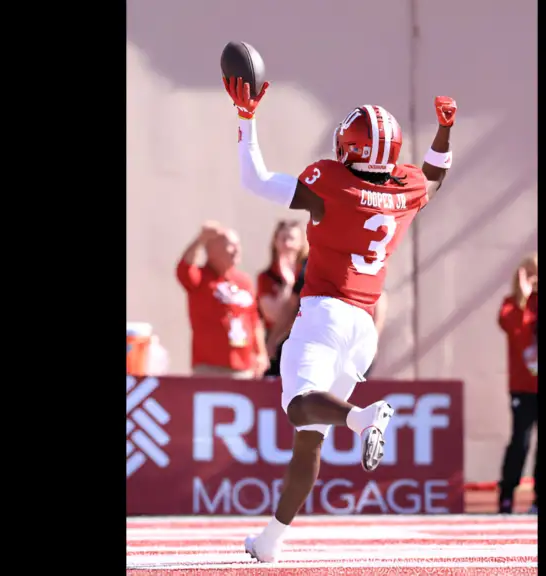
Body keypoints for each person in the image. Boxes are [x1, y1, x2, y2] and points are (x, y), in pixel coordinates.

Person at [223, 75, 456, 562]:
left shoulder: (329, 183)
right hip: (363, 329)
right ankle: (269, 542)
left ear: (351, 148)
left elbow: (256, 180)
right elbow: (434, 176)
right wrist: (443, 131)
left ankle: (363, 415)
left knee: (301, 406)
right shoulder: (404, 187)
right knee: (308, 441)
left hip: (325, 313)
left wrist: (246, 120)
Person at [176, 221, 268, 379]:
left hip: (243, 367)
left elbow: (254, 320)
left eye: (238, 245)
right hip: (209, 368)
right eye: (230, 245)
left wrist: (261, 353)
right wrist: (201, 239)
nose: (236, 250)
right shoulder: (200, 278)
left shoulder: (244, 281)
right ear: (211, 250)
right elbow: (184, 268)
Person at [496, 253, 538, 513]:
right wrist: (522, 300)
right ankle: (507, 495)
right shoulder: (511, 304)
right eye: (529, 274)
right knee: (520, 441)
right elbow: (516, 334)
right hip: (523, 387)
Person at [256, 220, 307, 377]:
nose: (287, 244)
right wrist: (287, 286)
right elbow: (273, 314)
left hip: (304, 341)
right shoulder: (266, 277)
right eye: (283, 238)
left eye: (291, 239)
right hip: (278, 344)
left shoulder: (308, 272)